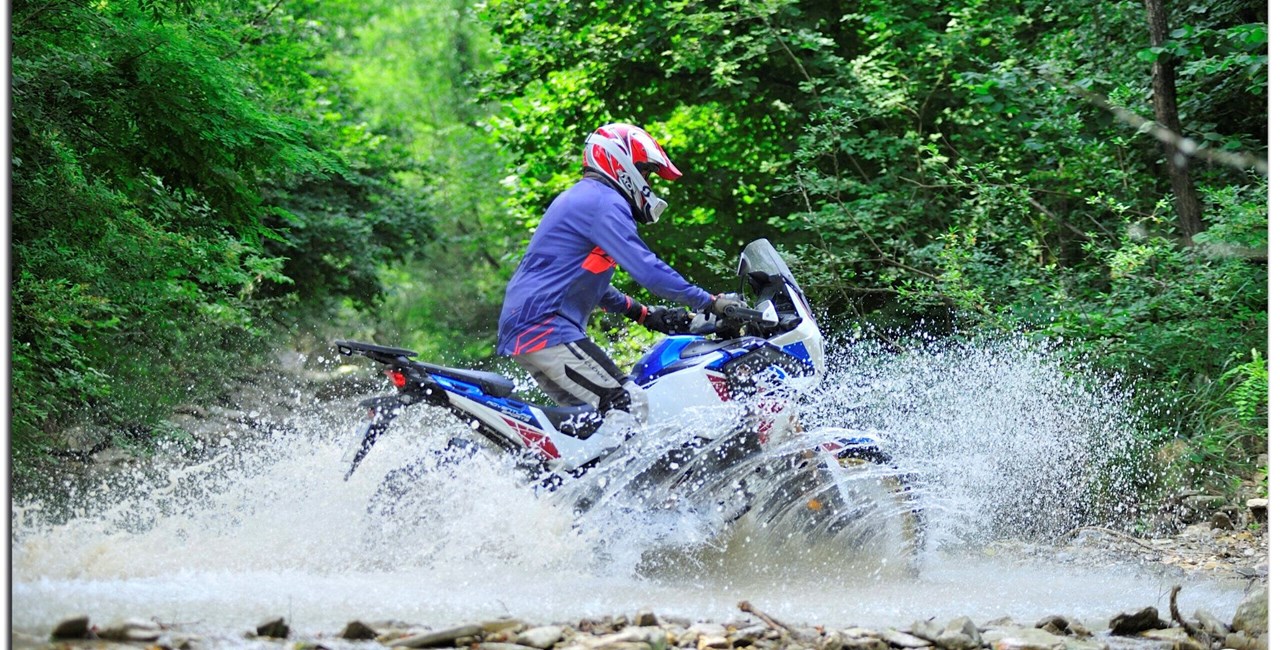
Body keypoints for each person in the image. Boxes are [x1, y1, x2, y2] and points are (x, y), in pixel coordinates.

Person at [496, 123, 744, 432]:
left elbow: (584, 280)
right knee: (626, 401)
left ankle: (571, 480)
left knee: (592, 425)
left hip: (527, 328)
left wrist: (644, 314)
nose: (649, 183)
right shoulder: (603, 202)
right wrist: (713, 302)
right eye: (647, 173)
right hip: (546, 327)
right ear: (622, 163)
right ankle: (627, 482)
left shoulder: (586, 198)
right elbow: (648, 270)